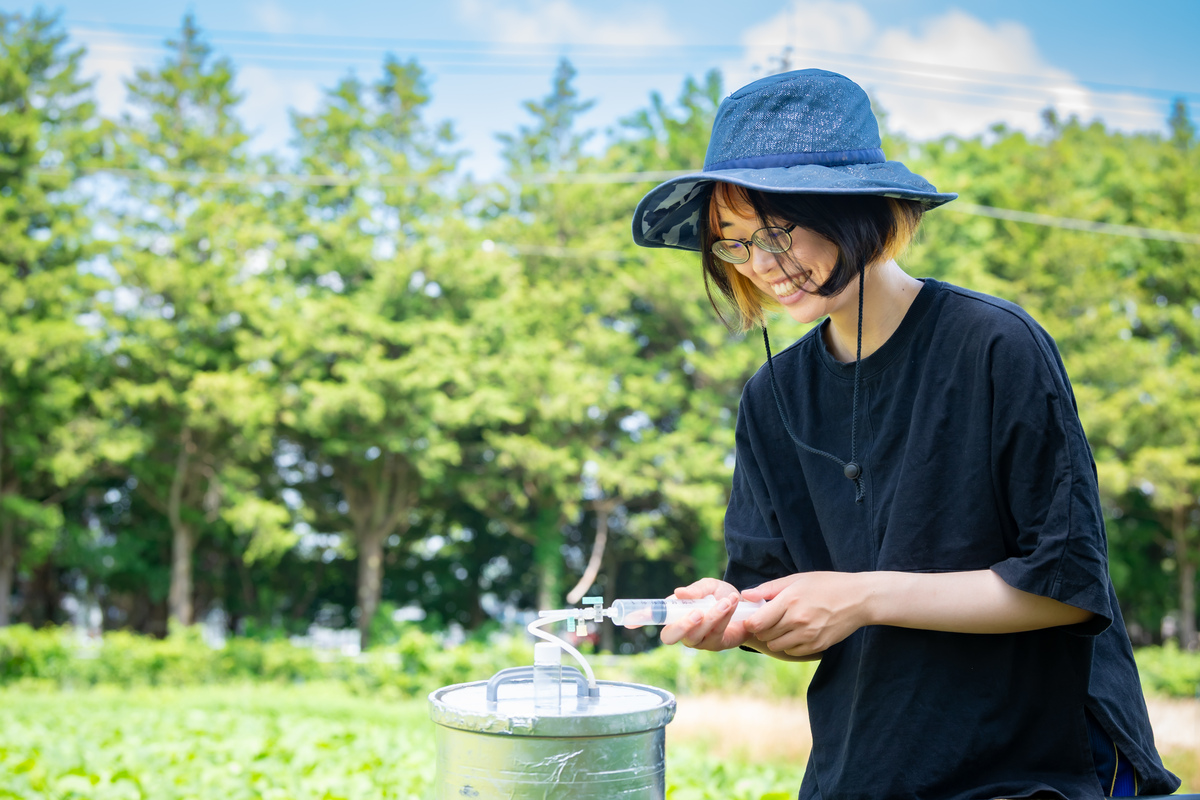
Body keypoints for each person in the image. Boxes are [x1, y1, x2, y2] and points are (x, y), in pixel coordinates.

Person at [630, 69, 1180, 800]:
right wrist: (736, 616)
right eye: (733, 243)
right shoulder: (771, 398)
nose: (763, 266)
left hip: (1033, 770)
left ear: (858, 208)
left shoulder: (994, 345)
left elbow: (1065, 589)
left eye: (777, 231)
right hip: (865, 772)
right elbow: (790, 605)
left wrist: (863, 596)